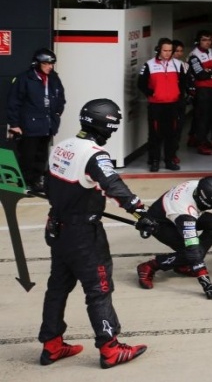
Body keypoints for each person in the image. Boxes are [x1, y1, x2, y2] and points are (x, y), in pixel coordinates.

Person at [39, 98, 153, 369]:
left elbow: (48, 184)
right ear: (105, 127)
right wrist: (141, 213)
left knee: (57, 288)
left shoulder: (61, 146)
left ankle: (51, 345)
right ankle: (110, 348)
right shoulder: (95, 154)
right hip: (83, 235)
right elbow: (114, 186)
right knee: (99, 290)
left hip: (57, 227)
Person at [135, 176, 212, 299]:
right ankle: (151, 265)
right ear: (203, 201)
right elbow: (193, 250)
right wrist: (207, 284)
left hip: (172, 213)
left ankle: (183, 264)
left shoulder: (200, 186)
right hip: (162, 225)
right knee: (193, 252)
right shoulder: (185, 214)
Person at [6, 47, 66, 193]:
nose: (49, 67)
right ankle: (26, 182)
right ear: (37, 64)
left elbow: (60, 98)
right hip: (30, 125)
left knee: (42, 155)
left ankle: (37, 181)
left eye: (51, 64)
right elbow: (14, 102)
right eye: (46, 64)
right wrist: (14, 124)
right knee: (28, 155)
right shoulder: (24, 79)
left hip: (47, 124)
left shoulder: (54, 78)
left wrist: (57, 113)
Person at [138, 38, 189, 172]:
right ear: (159, 50)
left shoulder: (178, 65)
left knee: (172, 134)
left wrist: (179, 96)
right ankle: (154, 161)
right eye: (164, 50)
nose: (167, 53)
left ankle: (169, 160)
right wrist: (152, 93)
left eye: (170, 51)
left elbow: (184, 83)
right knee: (155, 134)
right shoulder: (149, 65)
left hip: (173, 105)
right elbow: (141, 83)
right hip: (156, 106)